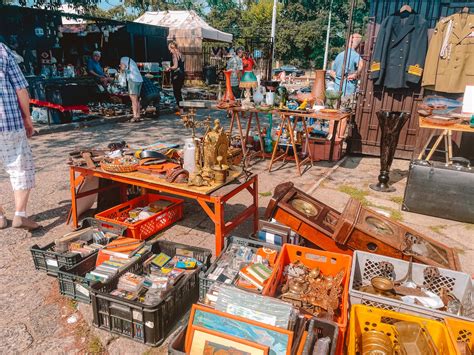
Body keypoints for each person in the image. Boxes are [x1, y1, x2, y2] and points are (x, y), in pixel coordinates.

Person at [0, 42, 39, 230]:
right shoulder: (2, 50)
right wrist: (27, 118)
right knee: (20, 166)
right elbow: (20, 88)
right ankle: (20, 215)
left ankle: (0, 217)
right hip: (7, 120)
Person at [120, 56, 143, 122]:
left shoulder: (123, 59)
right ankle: (138, 116)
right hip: (139, 80)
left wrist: (121, 71)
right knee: (137, 99)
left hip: (133, 80)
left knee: (133, 99)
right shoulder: (131, 60)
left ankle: (135, 116)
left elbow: (123, 68)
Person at [166, 41, 185, 115]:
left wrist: (169, 68)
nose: (170, 51)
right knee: (179, 92)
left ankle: (181, 110)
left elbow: (175, 66)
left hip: (176, 75)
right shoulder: (181, 54)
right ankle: (181, 108)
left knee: (176, 92)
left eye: (170, 49)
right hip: (182, 74)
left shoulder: (174, 54)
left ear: (172, 48)